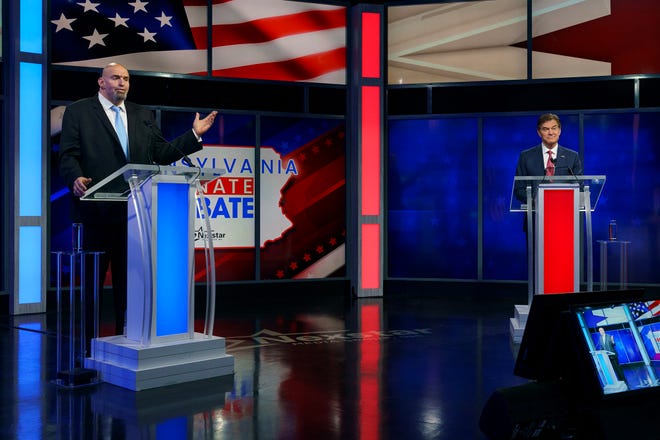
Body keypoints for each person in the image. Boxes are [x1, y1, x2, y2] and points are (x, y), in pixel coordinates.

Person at [59, 62, 217, 341]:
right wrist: (75, 178)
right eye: (116, 78)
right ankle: (85, 346)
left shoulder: (141, 114)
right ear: (101, 82)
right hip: (96, 211)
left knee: (129, 285)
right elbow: (68, 154)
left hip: (135, 216)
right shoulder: (79, 111)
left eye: (126, 79)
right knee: (92, 286)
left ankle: (127, 338)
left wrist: (194, 135)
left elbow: (161, 153)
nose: (122, 83)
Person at [514, 113, 583, 204]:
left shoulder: (572, 156)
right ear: (539, 132)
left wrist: (561, 200)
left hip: (564, 213)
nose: (550, 132)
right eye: (545, 129)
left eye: (554, 128)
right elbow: (519, 189)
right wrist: (538, 200)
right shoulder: (526, 157)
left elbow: (579, 187)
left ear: (559, 131)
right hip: (535, 214)